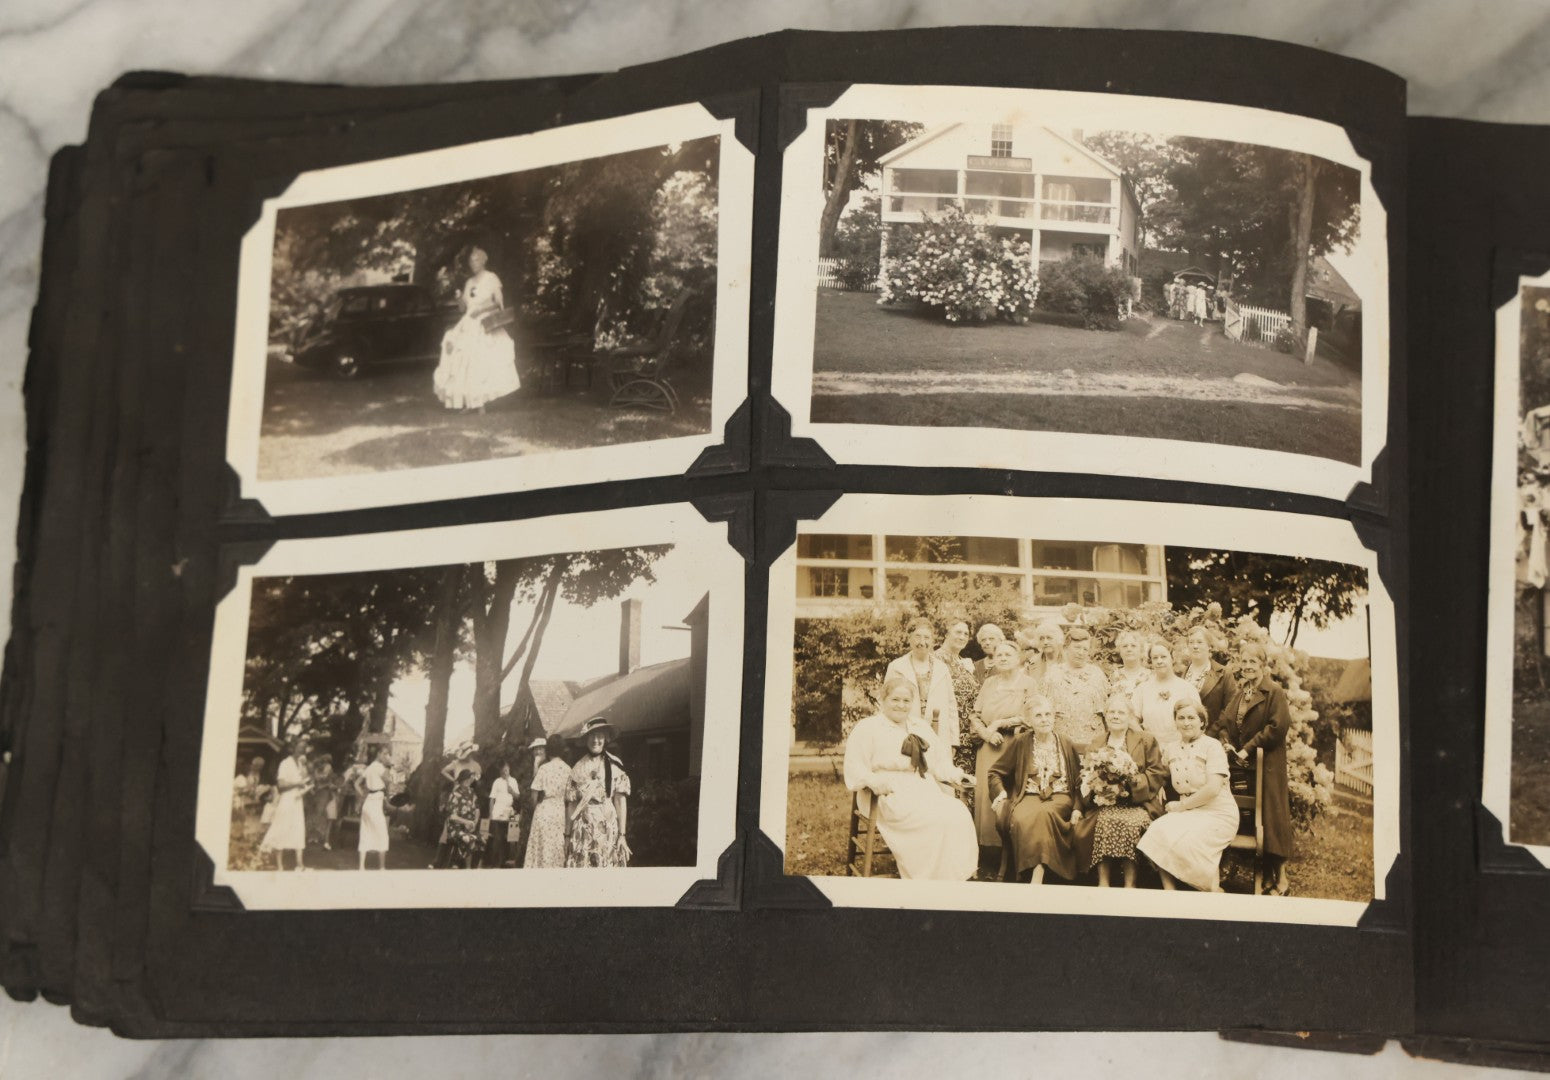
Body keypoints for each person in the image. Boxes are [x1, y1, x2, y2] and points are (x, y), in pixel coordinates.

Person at [842, 676, 977, 881]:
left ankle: (951, 877)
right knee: (931, 819)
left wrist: (956, 774)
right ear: (883, 700)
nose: (901, 705)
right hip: (885, 791)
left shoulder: (919, 726)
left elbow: (937, 762)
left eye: (906, 701)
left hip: (921, 786)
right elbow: (856, 765)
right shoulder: (868, 727)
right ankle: (925, 877)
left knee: (957, 814)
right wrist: (873, 782)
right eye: (895, 700)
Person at [1216, 641, 1295, 895]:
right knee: (1250, 819)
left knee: (1272, 818)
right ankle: (1258, 875)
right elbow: (1224, 722)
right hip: (1242, 766)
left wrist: (1248, 747)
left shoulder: (1274, 692)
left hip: (1267, 764)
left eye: (1253, 662)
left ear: (1263, 665)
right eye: (1244, 661)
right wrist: (1226, 742)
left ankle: (1281, 877)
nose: (1248, 666)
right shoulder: (1241, 693)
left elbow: (1276, 728)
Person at [1136, 700, 1240, 891]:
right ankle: (1170, 891)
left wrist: (1181, 807)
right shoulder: (1171, 748)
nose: (1186, 723)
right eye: (1181, 718)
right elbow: (1162, 773)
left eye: (1191, 718)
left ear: (1202, 722)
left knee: (1192, 841)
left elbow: (1213, 789)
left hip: (1218, 812)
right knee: (1157, 831)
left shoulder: (1212, 746)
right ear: (1175, 722)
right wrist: (1160, 785)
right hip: (1189, 812)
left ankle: (1212, 890)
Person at [1072, 694, 1169, 887]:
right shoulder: (1097, 742)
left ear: (1130, 717)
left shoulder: (1145, 740)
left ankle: (1129, 884)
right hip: (1104, 803)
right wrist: (1098, 787)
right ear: (1106, 716)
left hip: (1137, 803)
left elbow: (1157, 772)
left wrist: (1130, 783)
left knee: (1130, 823)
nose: (1115, 716)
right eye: (1111, 712)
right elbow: (1084, 776)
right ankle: (1104, 882)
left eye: (1121, 712)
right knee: (1106, 820)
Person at [988, 694, 1083, 884]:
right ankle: (1031, 868)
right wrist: (1001, 793)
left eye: (1048, 714)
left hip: (1060, 797)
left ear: (1054, 717)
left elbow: (1080, 781)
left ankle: (1037, 874)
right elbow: (995, 772)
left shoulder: (1065, 742)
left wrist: (1078, 807)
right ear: (1029, 721)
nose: (1045, 719)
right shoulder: (1020, 742)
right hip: (1028, 796)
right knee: (1022, 818)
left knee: (1044, 814)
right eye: (1038, 715)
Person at [432, 246, 522, 411]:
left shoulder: (491, 278)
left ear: (483, 261)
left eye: (476, 260)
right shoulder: (469, 283)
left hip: (484, 322)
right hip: (469, 322)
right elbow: (463, 309)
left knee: (479, 359)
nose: (473, 264)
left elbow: (498, 303)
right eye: (471, 261)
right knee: (457, 352)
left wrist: (480, 310)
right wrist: (459, 298)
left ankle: (481, 402)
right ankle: (468, 400)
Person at [970, 640, 1036, 848]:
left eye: (1008, 655)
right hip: (990, 745)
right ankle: (988, 847)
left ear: (1018, 659)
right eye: (999, 655)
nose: (1003, 658)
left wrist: (1000, 723)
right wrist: (987, 734)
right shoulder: (989, 683)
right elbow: (975, 715)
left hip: (1014, 744)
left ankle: (1012, 846)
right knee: (986, 794)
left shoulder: (1028, 683)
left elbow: (1031, 715)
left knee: (1010, 793)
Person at [883, 619, 960, 754]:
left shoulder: (942, 668)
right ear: (910, 639)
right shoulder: (896, 667)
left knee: (937, 771)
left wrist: (954, 741)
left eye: (927, 637)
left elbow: (951, 704)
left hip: (938, 732)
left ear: (932, 641)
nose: (922, 642)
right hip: (905, 730)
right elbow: (884, 701)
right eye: (917, 636)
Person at [567, 717, 632, 868]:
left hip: (608, 829)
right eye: (591, 736)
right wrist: (567, 836)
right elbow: (572, 804)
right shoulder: (577, 768)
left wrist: (622, 835)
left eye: (600, 735)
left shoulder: (615, 765)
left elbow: (620, 801)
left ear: (606, 738)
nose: (595, 740)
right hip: (583, 831)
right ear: (586, 739)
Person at [1129, 640, 1202, 760]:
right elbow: (1131, 720)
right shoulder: (1143, 689)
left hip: (1182, 752)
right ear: (1151, 661)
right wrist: (1148, 742)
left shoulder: (1187, 688)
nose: (1159, 661)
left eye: (1163, 656)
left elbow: (1198, 723)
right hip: (1150, 752)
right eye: (1155, 658)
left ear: (1172, 658)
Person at [1044, 626, 1110, 748]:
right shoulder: (1053, 674)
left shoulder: (1097, 674)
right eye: (1077, 647)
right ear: (1065, 648)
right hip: (1061, 742)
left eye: (1085, 649)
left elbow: (1107, 712)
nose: (1081, 652)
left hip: (1092, 743)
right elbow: (1043, 709)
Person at [934, 620, 980, 778]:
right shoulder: (935, 660)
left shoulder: (964, 663)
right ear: (946, 634)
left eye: (966, 634)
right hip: (948, 731)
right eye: (958, 632)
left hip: (969, 735)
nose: (962, 636)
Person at [260, 738, 311, 871]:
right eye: (300, 747)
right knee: (282, 829)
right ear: (293, 748)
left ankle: (300, 864)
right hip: (287, 801)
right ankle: (280, 866)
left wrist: (306, 786)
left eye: (304, 748)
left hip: (297, 801)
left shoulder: (301, 764)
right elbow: (281, 785)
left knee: (298, 829)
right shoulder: (285, 763)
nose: (303, 750)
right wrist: (297, 784)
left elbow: (303, 781)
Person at [430, 744, 484, 868]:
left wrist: (472, 783)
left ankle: (457, 861)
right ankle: (438, 861)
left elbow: (477, 781)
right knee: (447, 830)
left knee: (467, 830)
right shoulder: (456, 763)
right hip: (456, 796)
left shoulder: (476, 766)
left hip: (469, 796)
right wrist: (454, 781)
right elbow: (444, 771)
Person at [525, 735, 571, 868]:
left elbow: (534, 796)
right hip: (561, 812)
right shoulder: (568, 769)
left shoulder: (544, 769)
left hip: (544, 811)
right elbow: (570, 798)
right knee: (557, 849)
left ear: (548, 750)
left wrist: (537, 808)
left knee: (541, 850)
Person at [1182, 625, 1231, 734]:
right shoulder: (1181, 674)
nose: (1195, 646)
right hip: (1184, 735)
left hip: (1212, 735)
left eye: (1200, 642)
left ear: (1209, 646)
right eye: (1191, 642)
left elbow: (1229, 709)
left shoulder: (1224, 673)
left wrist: (1210, 733)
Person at [356, 745, 392, 870]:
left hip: (369, 802)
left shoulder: (370, 766)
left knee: (365, 833)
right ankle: (382, 867)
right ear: (379, 754)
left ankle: (361, 867)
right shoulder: (379, 767)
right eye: (385, 754)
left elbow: (356, 784)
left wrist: (364, 795)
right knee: (382, 834)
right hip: (375, 804)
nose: (386, 756)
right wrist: (389, 766)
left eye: (387, 754)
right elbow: (388, 781)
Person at [440, 769, 484, 869]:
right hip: (455, 827)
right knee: (469, 840)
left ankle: (473, 868)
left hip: (469, 827)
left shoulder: (471, 792)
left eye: (470, 779)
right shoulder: (455, 794)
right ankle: (467, 868)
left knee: (482, 841)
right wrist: (467, 822)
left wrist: (475, 822)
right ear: (462, 780)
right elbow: (452, 816)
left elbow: (477, 808)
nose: (469, 781)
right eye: (467, 779)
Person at [485, 763, 521, 868]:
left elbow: (518, 797)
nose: (505, 772)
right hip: (498, 812)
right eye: (503, 770)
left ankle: (510, 861)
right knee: (498, 838)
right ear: (500, 771)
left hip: (511, 811)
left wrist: (512, 791)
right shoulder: (497, 781)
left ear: (509, 770)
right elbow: (492, 799)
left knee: (513, 836)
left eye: (506, 770)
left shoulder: (513, 781)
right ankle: (497, 863)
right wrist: (491, 814)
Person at [231, 756, 271, 843]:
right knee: (242, 821)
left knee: (252, 822)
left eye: (261, 766)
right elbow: (240, 791)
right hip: (241, 801)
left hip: (252, 802)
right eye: (257, 766)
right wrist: (248, 791)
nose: (259, 768)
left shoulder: (259, 775)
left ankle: (250, 839)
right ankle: (241, 838)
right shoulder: (242, 777)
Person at [306, 758, 342, 850]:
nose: (328, 769)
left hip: (330, 799)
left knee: (328, 819)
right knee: (320, 816)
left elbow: (337, 786)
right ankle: (319, 839)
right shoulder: (318, 774)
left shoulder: (331, 777)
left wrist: (334, 787)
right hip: (324, 798)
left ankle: (325, 841)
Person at [1108, 630, 1150, 701]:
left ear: (1141, 650)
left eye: (1133, 646)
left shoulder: (1150, 676)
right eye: (1125, 646)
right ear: (1120, 651)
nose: (1129, 649)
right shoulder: (1114, 676)